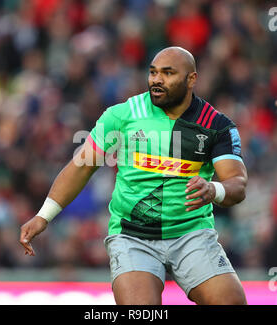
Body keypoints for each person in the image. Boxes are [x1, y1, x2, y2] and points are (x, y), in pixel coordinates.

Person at [20, 47, 248, 305]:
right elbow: (82, 166)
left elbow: (237, 184)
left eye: (168, 73)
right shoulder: (123, 115)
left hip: (191, 232)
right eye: (153, 72)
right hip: (132, 235)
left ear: (191, 79)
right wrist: (43, 216)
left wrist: (213, 190)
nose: (156, 80)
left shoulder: (216, 125)